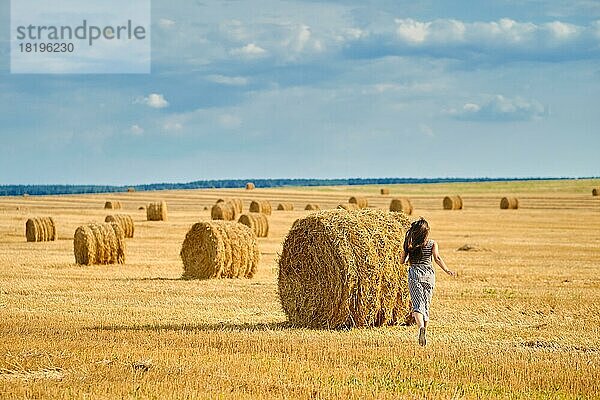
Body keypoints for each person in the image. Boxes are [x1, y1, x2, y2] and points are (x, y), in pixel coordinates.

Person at [403, 217, 455, 346]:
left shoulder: (411, 246)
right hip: (429, 276)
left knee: (417, 306)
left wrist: (405, 248)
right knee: (426, 305)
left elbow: (401, 261)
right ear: (426, 232)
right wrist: (447, 270)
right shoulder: (432, 243)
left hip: (415, 275)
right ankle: (424, 330)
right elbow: (437, 258)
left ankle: (421, 328)